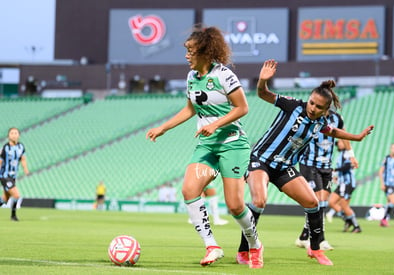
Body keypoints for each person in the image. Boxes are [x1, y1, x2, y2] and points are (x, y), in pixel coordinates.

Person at [146, 25, 263, 268]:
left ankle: (254, 244)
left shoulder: (225, 75)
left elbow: (243, 108)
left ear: (206, 51)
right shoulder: (191, 77)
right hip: (207, 146)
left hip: (233, 144)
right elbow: (190, 109)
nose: (187, 55)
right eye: (186, 50)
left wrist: (215, 124)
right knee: (189, 189)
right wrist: (163, 128)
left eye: (191, 50)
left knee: (235, 205)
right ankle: (212, 246)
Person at [236, 59, 373, 266]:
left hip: (284, 167)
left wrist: (357, 137)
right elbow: (263, 94)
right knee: (259, 201)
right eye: (311, 103)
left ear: (326, 110)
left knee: (312, 203)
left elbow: (333, 131)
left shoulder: (320, 122)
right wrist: (262, 81)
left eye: (319, 107)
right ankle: (245, 249)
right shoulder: (293, 105)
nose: (313, 108)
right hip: (261, 160)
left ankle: (315, 249)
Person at [295, 109, 358, 250]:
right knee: (319, 200)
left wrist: (351, 155)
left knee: (320, 202)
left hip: (326, 166)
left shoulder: (337, 118)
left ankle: (304, 236)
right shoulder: (310, 115)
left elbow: (344, 136)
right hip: (310, 163)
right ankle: (319, 239)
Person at [327, 139, 362, 233]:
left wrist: (334, 170)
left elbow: (347, 166)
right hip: (342, 183)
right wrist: (336, 176)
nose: (339, 144)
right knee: (331, 202)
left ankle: (356, 226)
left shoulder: (347, 153)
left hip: (348, 183)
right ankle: (347, 220)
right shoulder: (340, 154)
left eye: (341, 142)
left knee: (344, 205)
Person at [0, 127, 30, 221]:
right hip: (5, 176)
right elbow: (0, 161)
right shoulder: (6, 148)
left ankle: (13, 215)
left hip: (13, 177)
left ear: (19, 135)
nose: (14, 135)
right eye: (12, 133)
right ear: (8, 136)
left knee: (4, 199)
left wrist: (25, 169)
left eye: (16, 133)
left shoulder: (21, 147)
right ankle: (13, 216)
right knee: (16, 195)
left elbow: (23, 159)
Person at [378, 143, 394, 227]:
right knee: (393, 201)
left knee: (389, 202)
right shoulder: (386, 159)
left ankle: (384, 221)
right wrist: (382, 183)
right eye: (393, 148)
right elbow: (380, 171)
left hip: (393, 183)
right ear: (390, 149)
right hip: (387, 183)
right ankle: (384, 219)